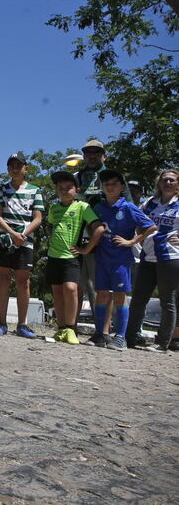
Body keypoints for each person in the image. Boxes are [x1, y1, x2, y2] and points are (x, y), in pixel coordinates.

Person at [85, 169, 156, 350]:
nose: (110, 188)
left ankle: (121, 337)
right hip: (102, 258)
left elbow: (150, 226)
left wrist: (131, 241)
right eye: (106, 184)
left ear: (121, 187)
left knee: (119, 296)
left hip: (120, 260)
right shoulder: (99, 207)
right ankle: (101, 334)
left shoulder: (128, 207)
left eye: (114, 184)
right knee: (101, 295)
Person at [74, 140, 131, 321]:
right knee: (77, 285)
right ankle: (70, 326)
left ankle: (102, 330)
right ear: (84, 156)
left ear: (104, 156)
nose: (92, 156)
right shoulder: (77, 176)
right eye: (88, 153)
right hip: (76, 237)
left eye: (96, 153)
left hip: (104, 239)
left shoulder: (112, 177)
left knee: (101, 287)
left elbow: (129, 206)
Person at [0, 153, 45, 339]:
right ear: (7, 169)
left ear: (26, 168)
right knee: (3, 278)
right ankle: (2, 322)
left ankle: (22, 324)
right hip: (4, 239)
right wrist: (12, 234)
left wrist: (24, 234)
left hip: (25, 240)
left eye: (19, 165)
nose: (15, 168)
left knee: (23, 281)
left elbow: (38, 218)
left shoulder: (35, 191)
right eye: (12, 165)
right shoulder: (1, 189)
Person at [45, 171, 104, 345]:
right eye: (60, 187)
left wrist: (86, 249)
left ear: (76, 189)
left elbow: (98, 228)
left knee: (71, 289)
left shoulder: (82, 207)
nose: (64, 190)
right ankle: (61, 328)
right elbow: (49, 226)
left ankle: (71, 328)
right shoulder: (54, 208)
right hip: (53, 256)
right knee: (57, 292)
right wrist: (53, 238)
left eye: (68, 187)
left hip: (71, 256)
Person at [126, 168, 179, 351]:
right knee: (138, 299)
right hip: (147, 256)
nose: (168, 183)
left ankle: (162, 343)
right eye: (165, 180)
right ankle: (130, 337)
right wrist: (139, 235)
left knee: (167, 301)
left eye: (172, 180)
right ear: (159, 183)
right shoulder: (150, 203)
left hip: (170, 257)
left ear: (177, 184)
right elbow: (138, 221)